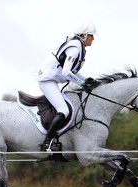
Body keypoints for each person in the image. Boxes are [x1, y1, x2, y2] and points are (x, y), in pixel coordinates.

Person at [36, 21, 99, 151]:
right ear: (84, 35)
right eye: (91, 36)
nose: (93, 38)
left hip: (52, 80)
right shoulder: (76, 49)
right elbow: (66, 72)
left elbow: (73, 71)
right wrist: (82, 83)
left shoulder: (78, 46)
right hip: (47, 81)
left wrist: (86, 79)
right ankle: (46, 143)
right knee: (64, 110)